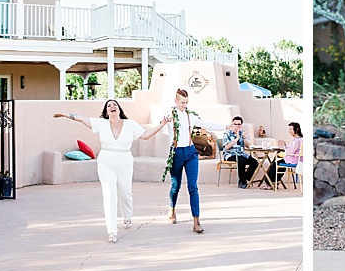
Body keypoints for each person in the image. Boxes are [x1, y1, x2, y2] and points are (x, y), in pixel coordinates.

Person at [54, 100, 171, 244]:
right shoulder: (101, 124)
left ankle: (127, 216)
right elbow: (80, 118)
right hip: (106, 162)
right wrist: (65, 114)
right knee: (109, 195)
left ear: (119, 109)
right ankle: (112, 231)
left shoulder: (130, 124)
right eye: (108, 106)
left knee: (125, 192)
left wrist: (163, 124)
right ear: (106, 112)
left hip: (124, 161)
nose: (112, 107)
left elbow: (146, 135)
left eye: (114, 104)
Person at [162, 88, 223, 233]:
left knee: (193, 186)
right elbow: (162, 124)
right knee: (175, 185)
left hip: (190, 152)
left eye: (186, 102)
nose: (184, 105)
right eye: (182, 102)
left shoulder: (191, 116)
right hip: (176, 152)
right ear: (176, 101)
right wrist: (165, 121)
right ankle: (172, 208)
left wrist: (226, 126)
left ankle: (196, 221)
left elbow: (206, 124)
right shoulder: (169, 114)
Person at [222, 116, 259, 189]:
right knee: (242, 160)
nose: (237, 126)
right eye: (235, 124)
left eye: (239, 124)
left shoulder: (242, 133)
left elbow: (248, 146)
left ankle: (246, 177)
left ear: (241, 125)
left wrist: (244, 137)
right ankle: (242, 181)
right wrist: (237, 138)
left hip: (242, 154)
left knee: (255, 162)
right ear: (232, 124)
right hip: (230, 154)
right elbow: (226, 147)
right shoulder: (227, 133)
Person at [265, 122, 303, 190]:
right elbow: (292, 148)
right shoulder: (299, 139)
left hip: (292, 160)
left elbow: (291, 151)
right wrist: (285, 146)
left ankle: (269, 183)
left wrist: (284, 147)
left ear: (296, 129)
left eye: (291, 129)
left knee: (275, 164)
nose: (289, 131)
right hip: (296, 159)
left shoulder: (297, 140)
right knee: (280, 164)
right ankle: (274, 183)